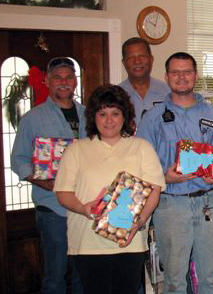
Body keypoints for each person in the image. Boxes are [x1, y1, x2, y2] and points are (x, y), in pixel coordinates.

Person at [136, 52, 213, 293]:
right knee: (174, 281)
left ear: (196, 75)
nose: (181, 77)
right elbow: (139, 162)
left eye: (187, 72)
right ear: (166, 76)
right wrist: (163, 177)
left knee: (212, 279)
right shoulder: (153, 118)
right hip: (171, 205)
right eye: (175, 72)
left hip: (210, 203)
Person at [54, 85, 166, 294]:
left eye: (115, 113)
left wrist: (139, 221)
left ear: (125, 116)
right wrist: (83, 208)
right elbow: (63, 193)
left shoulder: (141, 147)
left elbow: (154, 191)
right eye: (102, 113)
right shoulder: (76, 149)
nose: (109, 120)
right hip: (88, 242)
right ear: (93, 117)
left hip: (129, 241)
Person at [11, 57, 85, 294]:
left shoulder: (89, 115)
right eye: (57, 77)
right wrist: (42, 181)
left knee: (83, 275)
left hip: (84, 207)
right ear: (47, 81)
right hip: (53, 209)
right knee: (55, 276)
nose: (63, 82)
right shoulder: (33, 118)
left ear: (75, 81)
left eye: (68, 77)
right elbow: (18, 159)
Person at [120, 37, 170, 127]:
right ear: (124, 63)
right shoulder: (116, 95)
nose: (137, 61)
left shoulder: (168, 93)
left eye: (142, 56)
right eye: (131, 58)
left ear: (151, 59)